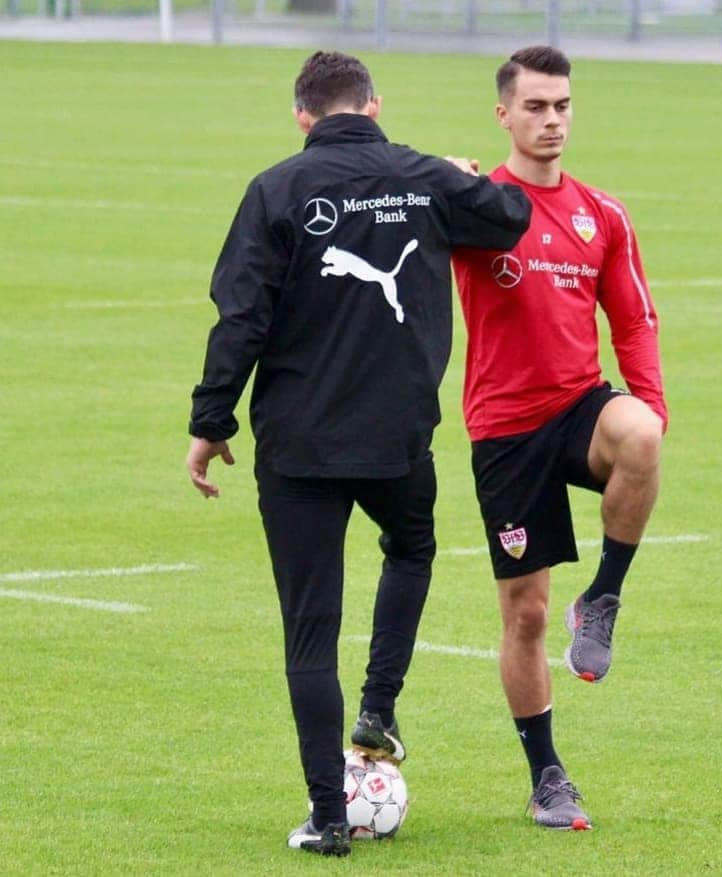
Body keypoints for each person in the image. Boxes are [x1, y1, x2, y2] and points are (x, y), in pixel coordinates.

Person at [185, 51, 530, 857]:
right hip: (397, 435)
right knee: (411, 545)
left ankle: (328, 818)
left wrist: (212, 421)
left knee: (310, 630)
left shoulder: (275, 189)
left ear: (302, 117)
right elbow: (506, 217)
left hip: (298, 445)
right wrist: (451, 175)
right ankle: (379, 704)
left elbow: (240, 315)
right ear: (375, 105)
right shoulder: (423, 177)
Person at [452, 46, 668, 831]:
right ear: (504, 114)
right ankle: (547, 774)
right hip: (505, 431)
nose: (552, 121)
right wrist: (438, 176)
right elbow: (398, 218)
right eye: (536, 106)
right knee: (527, 616)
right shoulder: (477, 203)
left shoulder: (601, 213)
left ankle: (604, 595)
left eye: (563, 105)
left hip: (580, 406)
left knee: (643, 434)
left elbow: (635, 321)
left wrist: (650, 407)